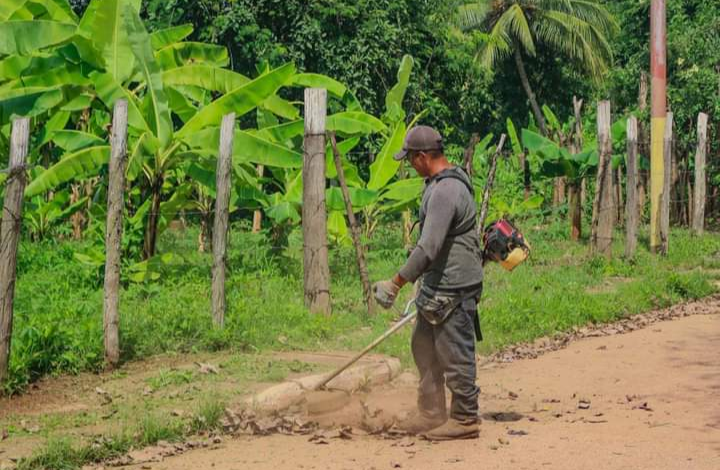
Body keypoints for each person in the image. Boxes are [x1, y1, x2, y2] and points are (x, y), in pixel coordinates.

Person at [373, 125, 484, 441]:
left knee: (454, 352)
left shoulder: (446, 191)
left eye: (409, 159)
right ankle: (432, 412)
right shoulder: (440, 183)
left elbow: (429, 246)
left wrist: (395, 283)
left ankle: (465, 419)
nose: (409, 165)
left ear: (422, 157)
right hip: (438, 286)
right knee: (424, 347)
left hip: (453, 287)